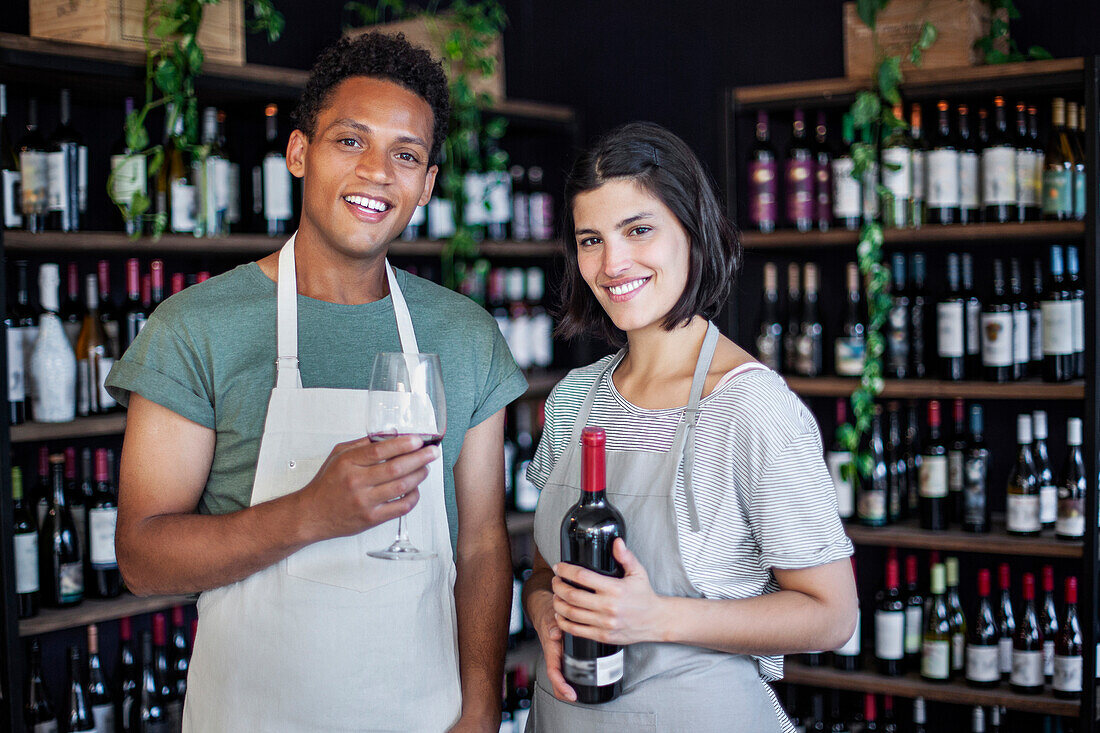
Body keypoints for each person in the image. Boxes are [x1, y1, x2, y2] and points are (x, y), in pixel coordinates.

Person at [106, 32, 527, 732]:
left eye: (406, 155)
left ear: (426, 184)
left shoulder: (464, 332)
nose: (377, 173)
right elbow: (141, 557)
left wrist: (480, 703)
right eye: (350, 141)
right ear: (299, 153)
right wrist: (310, 513)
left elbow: (482, 545)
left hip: (424, 715)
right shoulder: (197, 326)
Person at [520, 122, 857, 732]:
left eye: (639, 230)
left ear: (692, 232)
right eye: (591, 239)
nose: (612, 263)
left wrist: (653, 618)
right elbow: (547, 573)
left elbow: (831, 616)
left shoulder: (748, 408)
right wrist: (546, 615)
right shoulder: (574, 399)